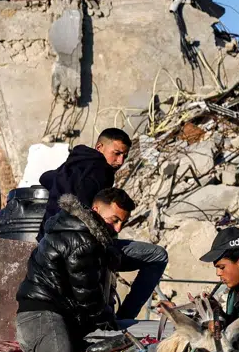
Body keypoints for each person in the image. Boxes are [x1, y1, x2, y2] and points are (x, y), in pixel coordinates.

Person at [10, 188, 134, 352]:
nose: (118, 227)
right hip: (45, 314)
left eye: (123, 222)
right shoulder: (81, 240)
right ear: (96, 210)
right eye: (114, 219)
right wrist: (115, 329)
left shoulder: (71, 231)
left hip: (38, 317)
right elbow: (87, 297)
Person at [39, 128, 167, 321]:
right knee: (157, 256)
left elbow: (45, 177)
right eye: (116, 153)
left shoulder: (72, 164)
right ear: (100, 147)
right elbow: (85, 213)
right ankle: (124, 318)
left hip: (47, 243)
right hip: (80, 245)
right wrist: (106, 248)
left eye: (124, 155)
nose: (120, 161)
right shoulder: (100, 170)